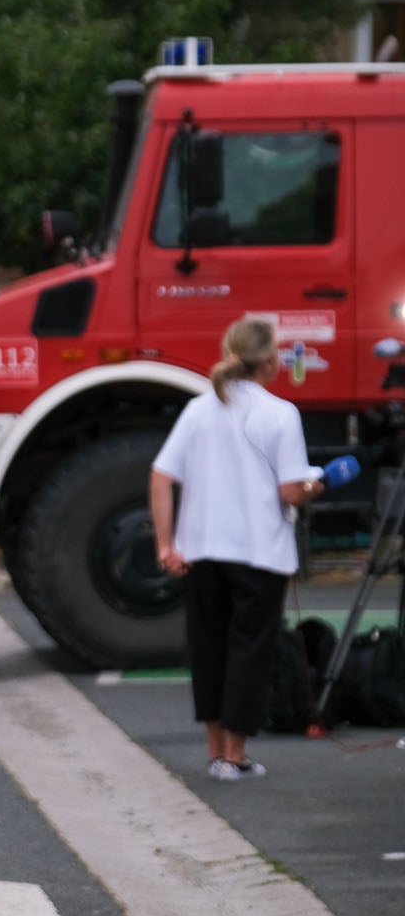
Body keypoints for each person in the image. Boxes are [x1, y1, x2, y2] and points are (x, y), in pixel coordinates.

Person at [150, 316, 323, 782]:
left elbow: (161, 476)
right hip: (258, 551)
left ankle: (213, 751)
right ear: (269, 361)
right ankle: (237, 754)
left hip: (202, 549)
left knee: (209, 647)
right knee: (250, 649)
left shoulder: (199, 410)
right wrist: (315, 484)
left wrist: (166, 544)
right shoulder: (281, 414)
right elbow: (291, 492)